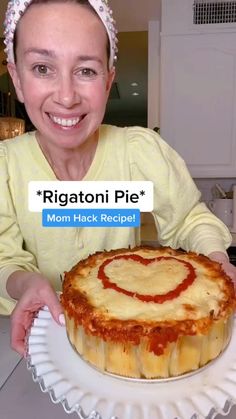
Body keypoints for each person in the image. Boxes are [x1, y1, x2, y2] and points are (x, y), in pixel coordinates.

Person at [0, 0, 235, 357]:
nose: (66, 96)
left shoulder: (138, 153)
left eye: (87, 71)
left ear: (109, 81)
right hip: (28, 343)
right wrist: (25, 282)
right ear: (17, 79)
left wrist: (216, 257)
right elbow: (4, 259)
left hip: (127, 343)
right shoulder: (5, 168)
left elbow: (188, 219)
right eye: (43, 67)